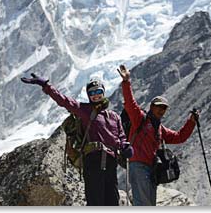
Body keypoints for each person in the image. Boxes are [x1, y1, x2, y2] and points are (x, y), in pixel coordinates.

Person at [21, 73, 133, 206]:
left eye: (98, 91)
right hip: (93, 161)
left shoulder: (114, 117)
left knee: (112, 201)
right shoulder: (84, 110)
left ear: (103, 92)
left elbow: (121, 137)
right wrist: (46, 86)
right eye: (92, 93)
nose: (96, 95)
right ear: (88, 95)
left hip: (110, 162)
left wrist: (126, 146)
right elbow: (63, 101)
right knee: (95, 201)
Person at [117, 65, 199, 206]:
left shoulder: (160, 128)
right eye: (159, 106)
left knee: (149, 204)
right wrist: (126, 82)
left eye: (164, 108)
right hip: (138, 165)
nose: (162, 110)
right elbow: (130, 103)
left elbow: (179, 137)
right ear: (151, 107)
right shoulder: (139, 118)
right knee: (143, 204)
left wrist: (191, 122)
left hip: (151, 168)